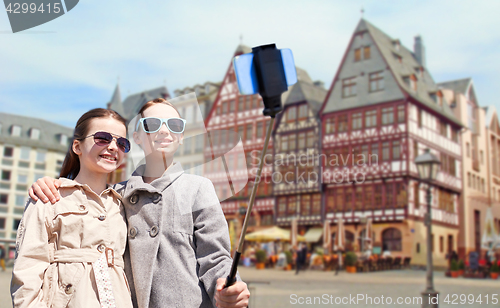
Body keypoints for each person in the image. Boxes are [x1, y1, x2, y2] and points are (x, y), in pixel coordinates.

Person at [29, 98, 250, 308]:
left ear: (181, 136)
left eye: (174, 125)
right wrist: (53, 184)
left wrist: (228, 287)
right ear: (136, 137)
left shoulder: (198, 188)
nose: (164, 130)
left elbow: (215, 257)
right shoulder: (114, 195)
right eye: (152, 124)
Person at [12, 108, 134, 307]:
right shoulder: (48, 197)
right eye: (102, 138)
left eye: (122, 143)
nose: (113, 147)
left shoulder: (125, 203)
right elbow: (28, 271)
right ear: (77, 146)